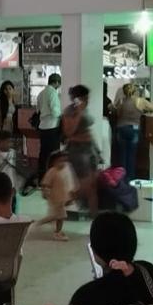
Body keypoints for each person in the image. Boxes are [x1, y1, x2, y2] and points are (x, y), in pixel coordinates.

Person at [62, 84, 98, 216]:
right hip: (78, 151)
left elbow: (87, 129)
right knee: (85, 186)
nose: (88, 101)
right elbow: (69, 132)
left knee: (92, 185)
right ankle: (61, 207)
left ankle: (94, 215)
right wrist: (79, 113)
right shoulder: (70, 111)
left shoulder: (85, 109)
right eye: (85, 98)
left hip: (89, 149)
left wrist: (97, 150)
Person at [26, 74, 63, 193]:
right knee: (53, 155)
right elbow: (55, 111)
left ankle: (42, 179)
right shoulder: (53, 93)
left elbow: (38, 110)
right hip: (52, 127)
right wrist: (61, 114)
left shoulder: (41, 93)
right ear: (56, 82)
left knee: (43, 154)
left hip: (43, 127)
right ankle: (52, 181)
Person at [113, 82, 153, 180]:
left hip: (121, 129)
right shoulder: (141, 101)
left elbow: (117, 113)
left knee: (122, 157)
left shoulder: (120, 101)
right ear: (135, 91)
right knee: (131, 156)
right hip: (134, 130)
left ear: (123, 92)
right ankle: (131, 179)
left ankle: (122, 180)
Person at [34, 150, 75, 241]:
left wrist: (71, 195)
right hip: (55, 198)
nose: (63, 163)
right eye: (60, 161)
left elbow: (70, 182)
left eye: (65, 161)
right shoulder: (52, 171)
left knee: (57, 215)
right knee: (60, 216)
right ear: (54, 162)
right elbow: (46, 184)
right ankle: (56, 232)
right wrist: (45, 192)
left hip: (62, 197)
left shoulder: (66, 169)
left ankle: (45, 225)